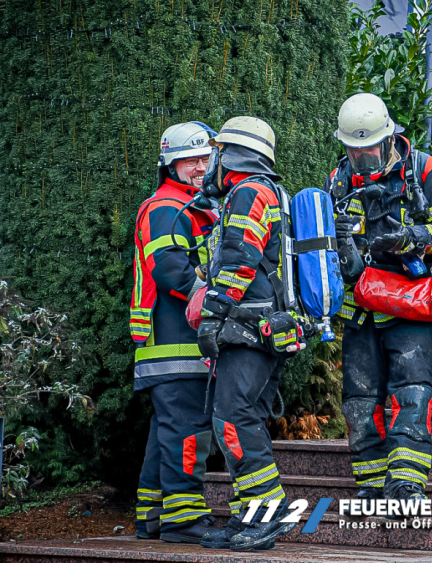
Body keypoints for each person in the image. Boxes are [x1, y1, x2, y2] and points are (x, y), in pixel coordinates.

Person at [326, 93, 432, 505]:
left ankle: (406, 484)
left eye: (369, 150)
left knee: (413, 393)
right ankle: (370, 483)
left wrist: (413, 239)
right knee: (359, 402)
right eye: (354, 151)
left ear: (388, 140)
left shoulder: (423, 170)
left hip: (411, 302)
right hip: (361, 305)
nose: (362, 159)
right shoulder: (339, 178)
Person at [193, 116, 303, 551]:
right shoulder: (266, 192)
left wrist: (211, 317)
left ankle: (267, 510)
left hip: (250, 330)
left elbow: (240, 259)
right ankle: (248, 516)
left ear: (233, 155)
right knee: (245, 416)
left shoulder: (249, 192)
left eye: (216, 153)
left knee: (233, 417)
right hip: (265, 328)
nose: (212, 164)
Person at [131, 121, 220, 543]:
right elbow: (169, 269)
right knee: (186, 427)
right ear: (171, 164)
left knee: (167, 427)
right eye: (191, 160)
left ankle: (151, 514)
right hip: (175, 340)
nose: (200, 166)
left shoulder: (193, 204)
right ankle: (184, 521)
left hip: (171, 342)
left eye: (205, 158)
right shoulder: (167, 207)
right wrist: (212, 296)